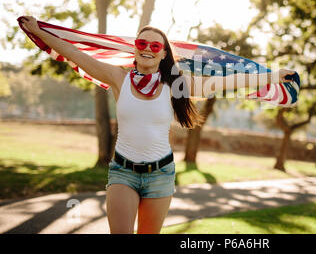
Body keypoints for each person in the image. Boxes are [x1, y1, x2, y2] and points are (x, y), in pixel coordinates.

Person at [18, 15, 296, 234]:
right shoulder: (119, 79)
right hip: (123, 174)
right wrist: (40, 32)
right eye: (142, 44)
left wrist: (273, 76)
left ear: (163, 54)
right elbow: (77, 55)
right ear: (134, 50)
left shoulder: (177, 86)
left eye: (155, 46)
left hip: (160, 176)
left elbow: (228, 82)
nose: (148, 49)